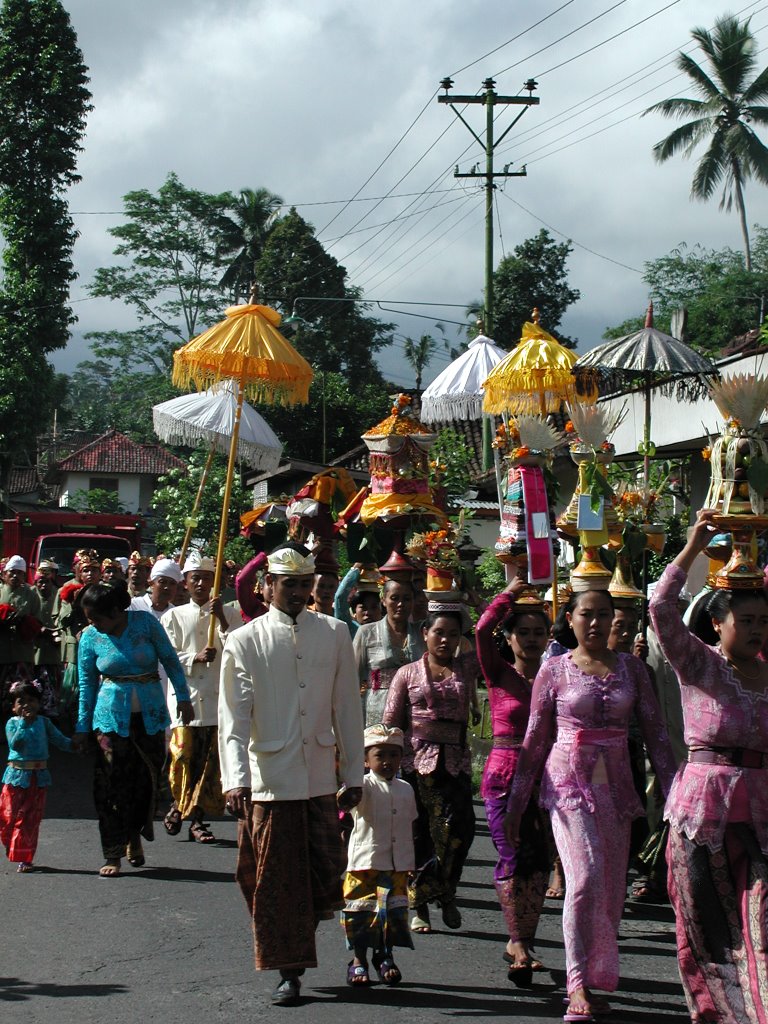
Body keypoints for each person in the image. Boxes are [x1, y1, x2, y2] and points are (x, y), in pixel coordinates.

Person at [505, 587, 676, 1021]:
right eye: (587, 614)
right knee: (584, 876)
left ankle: (598, 977)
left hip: (617, 786)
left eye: (604, 614)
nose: (596, 623)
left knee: (611, 889)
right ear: (571, 618)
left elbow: (656, 733)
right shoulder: (554, 669)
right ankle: (576, 983)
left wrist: (676, 796)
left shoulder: (633, 670)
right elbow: (535, 739)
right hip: (566, 785)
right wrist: (517, 804)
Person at [218, 543, 365, 1007]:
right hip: (269, 782)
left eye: (306, 584)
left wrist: (355, 772)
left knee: (326, 876)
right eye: (290, 584)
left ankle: (321, 944)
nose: (299, 592)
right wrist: (235, 778)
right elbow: (233, 717)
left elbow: (347, 707)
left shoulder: (336, 632)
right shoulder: (244, 639)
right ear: (268, 587)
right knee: (276, 885)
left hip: (321, 777)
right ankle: (289, 971)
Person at [649, 508, 768, 1024]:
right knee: (705, 929)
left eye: (765, 621)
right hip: (702, 813)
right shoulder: (698, 663)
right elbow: (659, 606)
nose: (757, 630)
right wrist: (693, 545)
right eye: (746, 621)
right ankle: (715, 1012)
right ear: (717, 622)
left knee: (761, 924)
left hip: (762, 816)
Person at [74, 580, 192, 877]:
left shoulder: (145, 623)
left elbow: (170, 661)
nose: (93, 624)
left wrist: (184, 697)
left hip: (149, 717)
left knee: (145, 782)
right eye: (89, 619)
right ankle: (112, 852)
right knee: (110, 786)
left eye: (97, 618)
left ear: (116, 610)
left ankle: (134, 834)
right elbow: (87, 686)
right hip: (110, 722)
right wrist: (81, 727)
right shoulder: (90, 638)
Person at [475, 578, 552, 985]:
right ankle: (518, 941)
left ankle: (523, 938)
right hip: (504, 775)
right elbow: (481, 630)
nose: (532, 639)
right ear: (511, 636)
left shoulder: (557, 674)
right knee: (512, 855)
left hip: (547, 778)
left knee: (539, 862)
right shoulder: (498, 673)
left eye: (539, 632)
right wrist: (508, 594)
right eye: (523, 632)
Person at [383, 605, 477, 935]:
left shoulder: (467, 669)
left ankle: (443, 888)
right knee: (418, 834)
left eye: (453, 634)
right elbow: (391, 722)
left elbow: (491, 639)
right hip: (414, 761)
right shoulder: (406, 674)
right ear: (425, 634)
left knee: (459, 832)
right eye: (439, 632)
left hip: (455, 761)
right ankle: (419, 904)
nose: (446, 640)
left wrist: (482, 599)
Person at [161, 554, 240, 844]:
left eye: (207, 578)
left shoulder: (229, 613)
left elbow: (239, 649)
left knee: (209, 764)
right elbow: (168, 656)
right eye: (195, 577)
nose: (201, 583)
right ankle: (178, 804)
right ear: (186, 582)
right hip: (186, 698)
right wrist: (194, 657)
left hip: (217, 698)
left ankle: (196, 818)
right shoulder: (173, 616)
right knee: (182, 755)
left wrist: (220, 619)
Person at [341, 724, 417, 987]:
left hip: (397, 864)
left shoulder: (407, 788)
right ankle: (358, 960)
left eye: (393, 755)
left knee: (392, 914)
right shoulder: (361, 786)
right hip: (365, 863)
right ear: (365, 759)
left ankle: (385, 956)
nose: (387, 761)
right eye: (379, 755)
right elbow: (343, 805)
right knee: (362, 913)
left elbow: (411, 824)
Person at [0, 679, 74, 871]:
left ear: (39, 704)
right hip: (15, 778)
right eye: (21, 701)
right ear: (13, 707)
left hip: (38, 777)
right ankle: (13, 844)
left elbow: (60, 740)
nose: (27, 705)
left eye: (32, 700)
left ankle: (25, 857)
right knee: (9, 817)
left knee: (29, 819)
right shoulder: (12, 724)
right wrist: (24, 724)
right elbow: (15, 745)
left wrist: (76, 745)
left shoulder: (44, 723)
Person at [354, 579, 426, 727]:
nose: (401, 604)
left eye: (407, 599)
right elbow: (351, 676)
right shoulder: (367, 632)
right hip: (377, 708)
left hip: (415, 711)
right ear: (384, 600)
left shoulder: (422, 632)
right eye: (394, 598)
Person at [0, 556, 43, 715]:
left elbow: (38, 623)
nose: (15, 576)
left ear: (25, 576)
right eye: (11, 572)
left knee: (22, 692)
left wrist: (24, 622)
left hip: (22, 652)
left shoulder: (31, 595)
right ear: (4, 574)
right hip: (2, 651)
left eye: (19, 573)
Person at [333, 563, 382, 638]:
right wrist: (356, 569)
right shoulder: (351, 629)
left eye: (374, 607)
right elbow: (340, 598)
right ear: (354, 611)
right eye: (363, 608)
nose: (368, 613)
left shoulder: (390, 632)